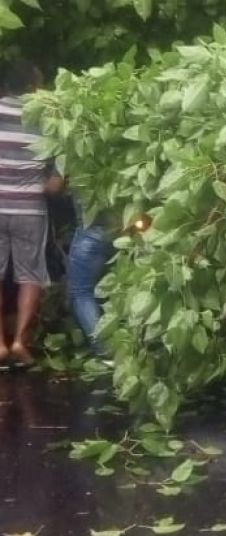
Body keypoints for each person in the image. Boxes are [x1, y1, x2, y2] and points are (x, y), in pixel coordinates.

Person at [0, 60, 61, 368]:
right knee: (30, 274)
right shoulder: (47, 121)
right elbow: (54, 185)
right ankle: (20, 343)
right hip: (30, 209)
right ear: (32, 87)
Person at [67, 203, 113, 359]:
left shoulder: (82, 178)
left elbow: (55, 186)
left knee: (81, 293)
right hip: (122, 232)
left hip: (90, 235)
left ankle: (104, 350)